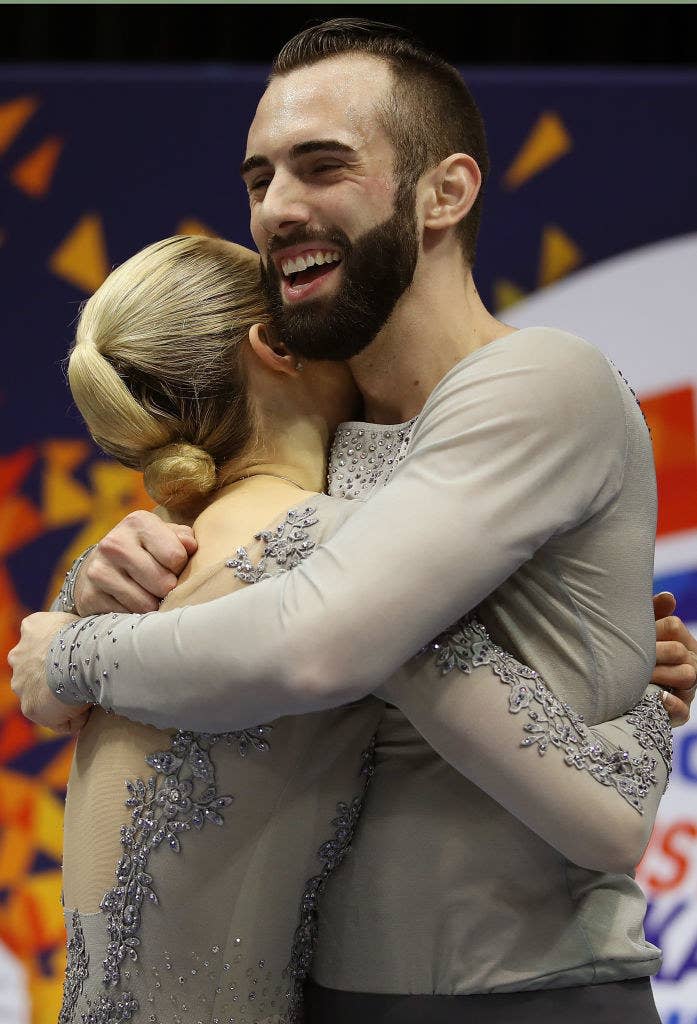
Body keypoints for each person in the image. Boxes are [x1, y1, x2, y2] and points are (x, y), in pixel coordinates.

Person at [9, 17, 697, 1024]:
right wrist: (101, 577)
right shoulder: (319, 444)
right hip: (326, 997)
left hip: (520, 998)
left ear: (445, 191)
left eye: (322, 166)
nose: (279, 207)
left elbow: (315, 640)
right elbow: (278, 608)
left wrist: (70, 653)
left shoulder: (535, 381)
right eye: (259, 179)